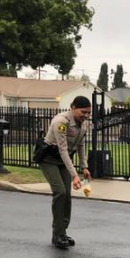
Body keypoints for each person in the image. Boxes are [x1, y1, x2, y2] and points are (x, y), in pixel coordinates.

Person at [40, 96, 92, 249]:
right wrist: (75, 175)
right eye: (83, 112)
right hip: (49, 159)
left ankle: (62, 232)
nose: (86, 116)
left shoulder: (82, 125)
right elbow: (62, 150)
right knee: (60, 192)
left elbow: (81, 146)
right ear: (73, 107)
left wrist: (84, 167)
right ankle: (57, 235)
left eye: (89, 113)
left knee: (67, 196)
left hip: (63, 160)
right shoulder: (61, 122)